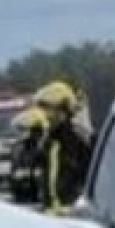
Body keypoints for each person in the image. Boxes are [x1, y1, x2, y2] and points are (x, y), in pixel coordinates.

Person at [33, 80, 91, 213]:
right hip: (52, 219)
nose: (46, 115)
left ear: (63, 109)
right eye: (43, 108)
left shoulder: (77, 141)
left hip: (72, 219)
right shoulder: (49, 142)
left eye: (49, 108)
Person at [7, 108, 47, 207]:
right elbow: (15, 171)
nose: (21, 133)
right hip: (23, 196)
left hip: (37, 196)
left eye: (22, 128)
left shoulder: (44, 146)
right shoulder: (20, 146)